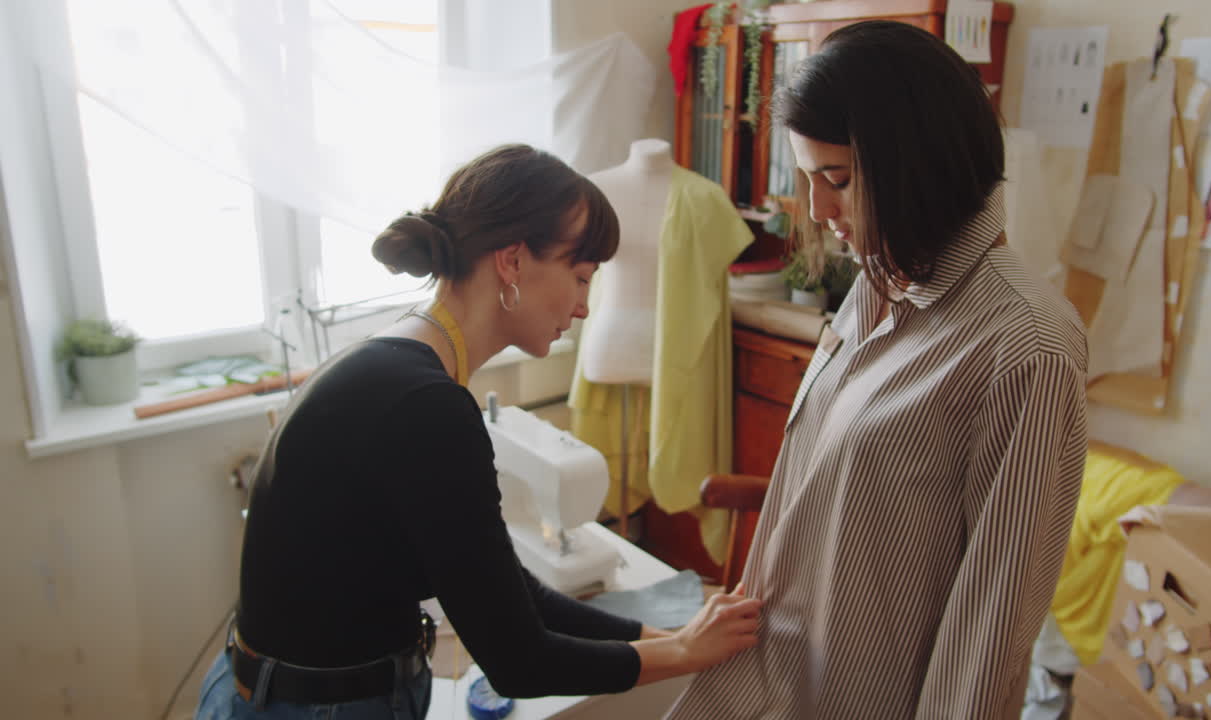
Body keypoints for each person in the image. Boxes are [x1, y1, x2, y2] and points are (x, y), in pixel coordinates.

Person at [194, 144, 762, 720]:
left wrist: (662, 635)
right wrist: (687, 653)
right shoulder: (426, 406)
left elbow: (512, 593)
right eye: (581, 277)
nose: (584, 307)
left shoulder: (399, 363)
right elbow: (520, 661)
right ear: (512, 263)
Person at [666, 21, 1088, 719]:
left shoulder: (1026, 346)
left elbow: (993, 624)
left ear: (921, 165)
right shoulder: (880, 280)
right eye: (809, 179)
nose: (818, 210)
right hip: (771, 673)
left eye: (837, 179)